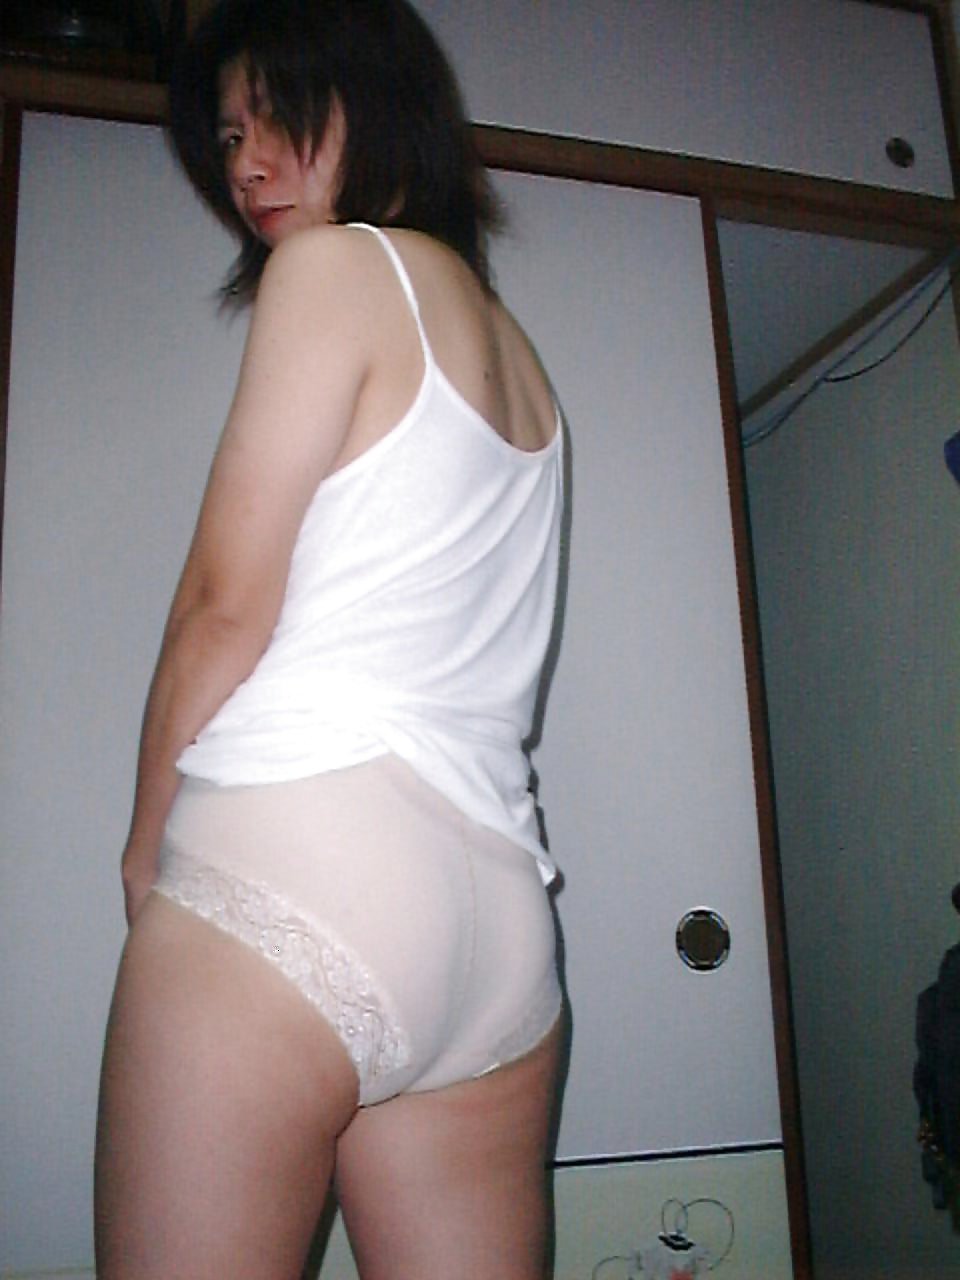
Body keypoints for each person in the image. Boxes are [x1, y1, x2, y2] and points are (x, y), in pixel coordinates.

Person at [94, 0, 566, 1275]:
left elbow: (222, 602)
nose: (246, 165)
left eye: (277, 117)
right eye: (226, 136)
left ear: (375, 97)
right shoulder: (524, 363)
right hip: (501, 927)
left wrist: (145, 849)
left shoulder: (336, 269)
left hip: (297, 859)